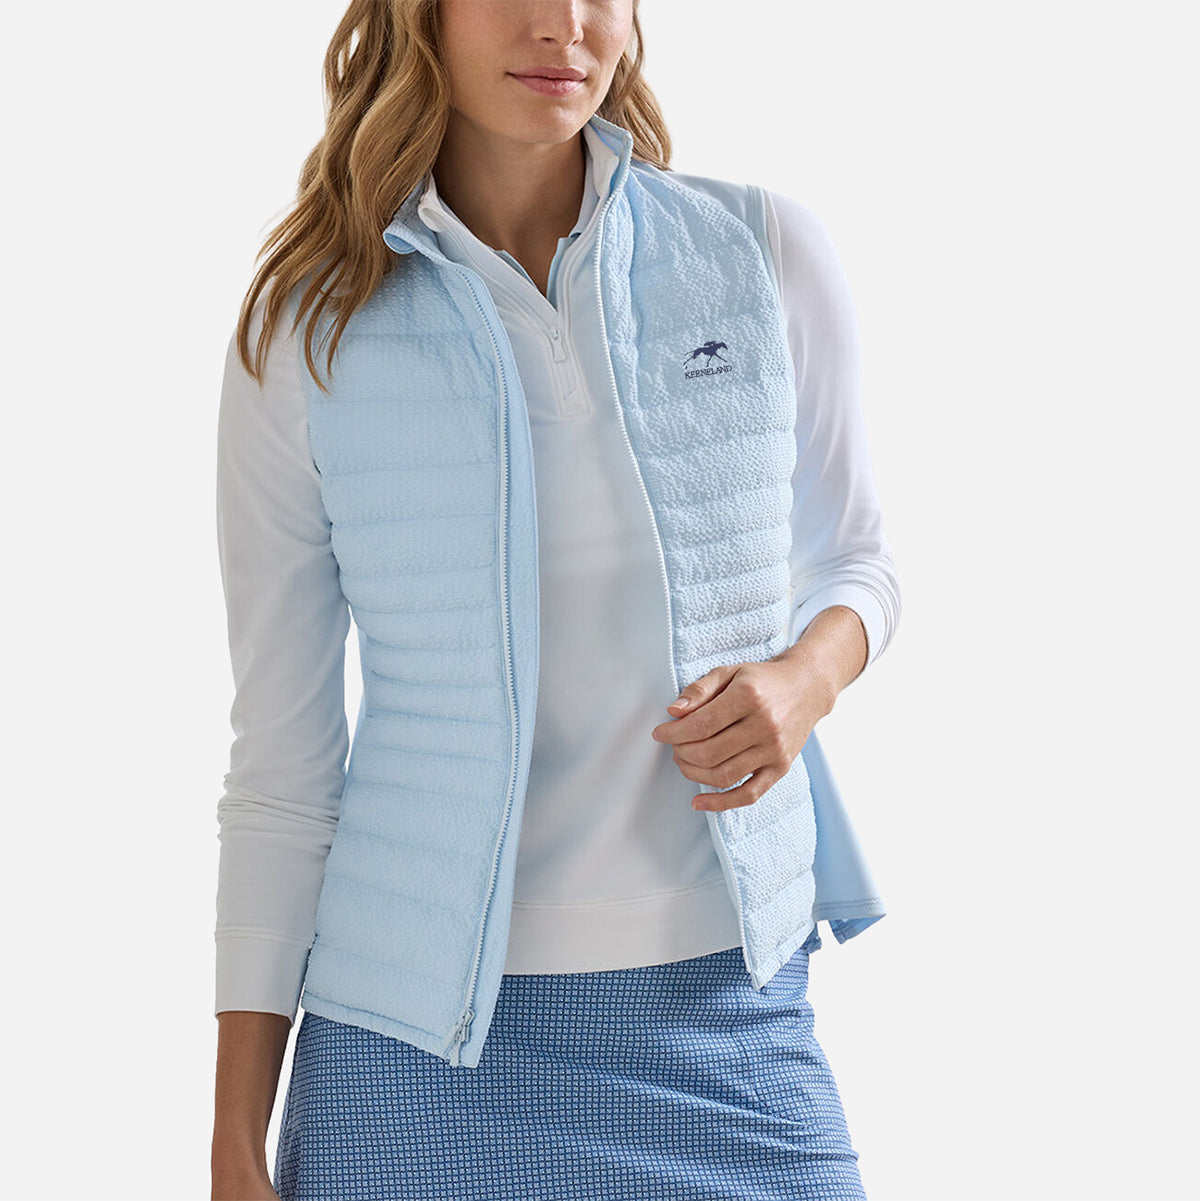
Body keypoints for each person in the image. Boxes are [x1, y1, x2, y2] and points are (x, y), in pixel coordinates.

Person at [210, 1, 901, 1198]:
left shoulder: (756, 251)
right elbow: (284, 766)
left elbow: (859, 560)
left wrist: (805, 680)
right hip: (411, 1061)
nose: (562, 25)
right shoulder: (308, 328)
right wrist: (233, 1140)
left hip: (727, 1022)